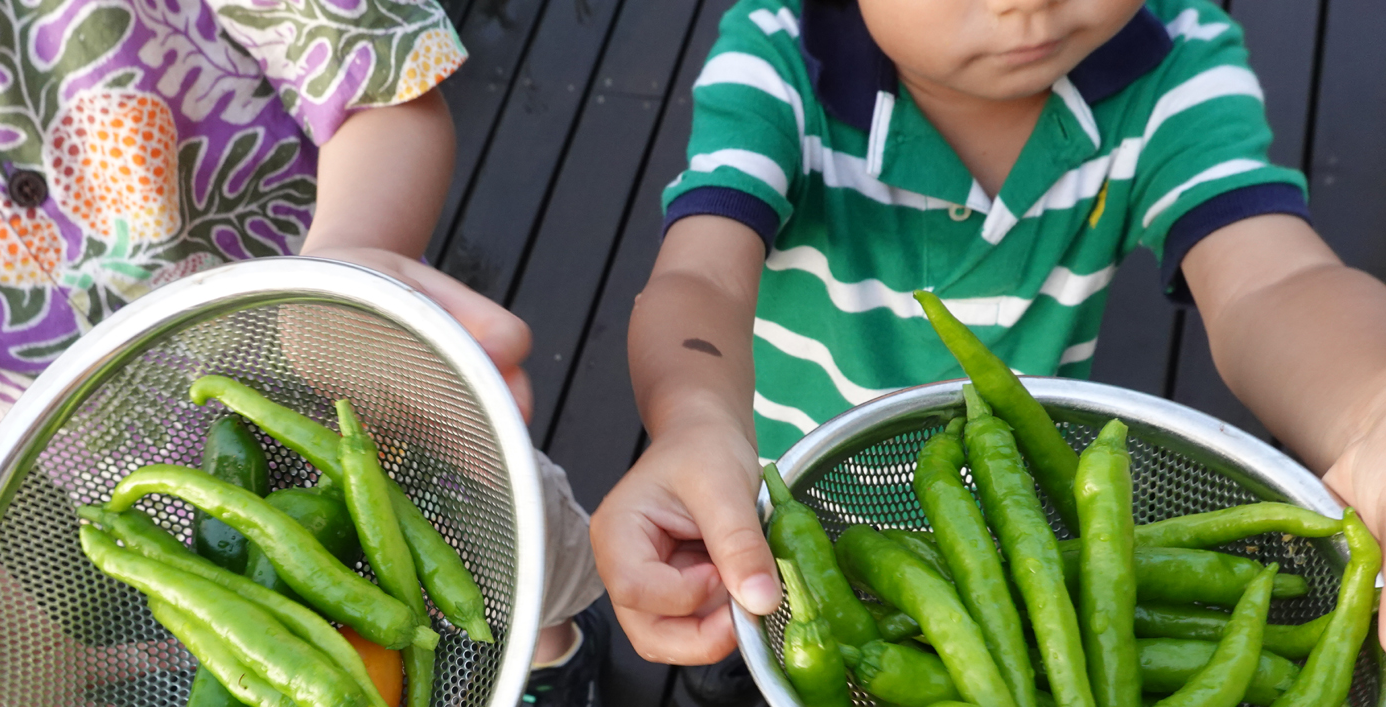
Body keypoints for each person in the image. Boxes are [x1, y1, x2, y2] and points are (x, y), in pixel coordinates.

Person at [0, 0, 606, 707]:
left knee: (494, 527)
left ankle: (551, 637)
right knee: (278, 602)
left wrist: (336, 272)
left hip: (353, 358)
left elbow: (376, 69)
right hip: (115, 451)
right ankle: (377, 695)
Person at [591, 0, 1386, 669]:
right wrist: (694, 419)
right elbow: (703, 275)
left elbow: (1273, 282)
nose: (1029, 5)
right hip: (772, 476)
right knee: (756, 598)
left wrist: (1373, 412)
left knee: (969, 641)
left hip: (1010, 495)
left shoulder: (1175, 67)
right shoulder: (780, 62)